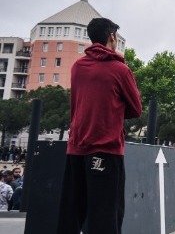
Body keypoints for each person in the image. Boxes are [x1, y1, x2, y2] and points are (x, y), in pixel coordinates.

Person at [56, 17, 142, 234]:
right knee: (106, 213)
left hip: (76, 147)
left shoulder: (78, 67)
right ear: (111, 37)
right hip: (106, 147)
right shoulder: (120, 70)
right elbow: (136, 109)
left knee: (71, 211)